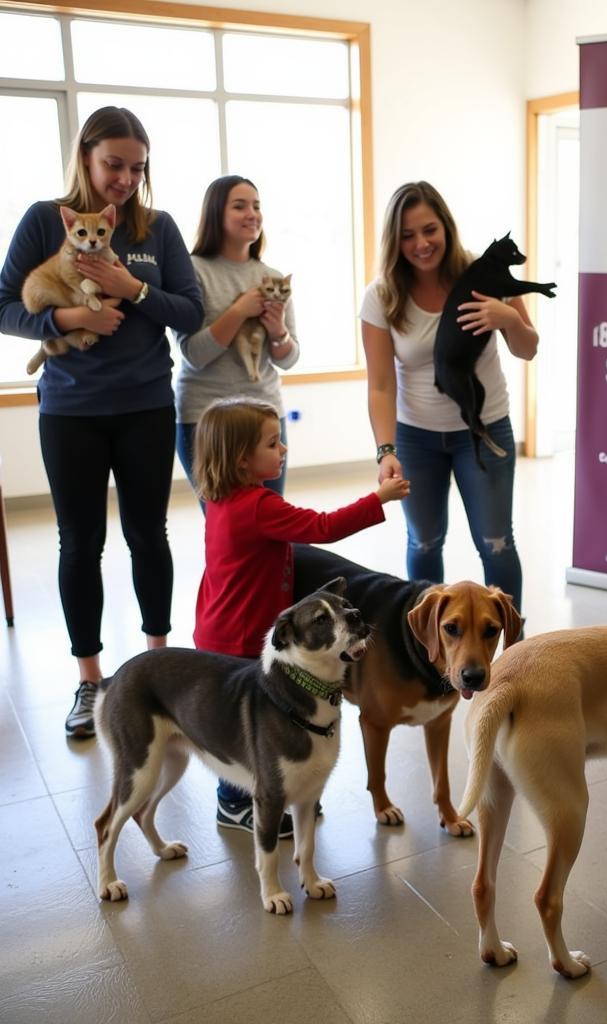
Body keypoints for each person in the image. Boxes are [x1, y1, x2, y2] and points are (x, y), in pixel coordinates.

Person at [0, 106, 203, 739]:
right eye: (113, 164)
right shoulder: (43, 219)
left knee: (149, 535)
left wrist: (131, 287)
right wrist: (70, 321)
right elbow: (5, 305)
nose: (124, 178)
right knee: (80, 542)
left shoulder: (157, 228)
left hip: (145, 406)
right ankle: (90, 682)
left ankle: (156, 668)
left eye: (136, 167)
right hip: (70, 413)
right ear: (86, 156)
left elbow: (191, 312)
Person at [191, 396, 408, 834]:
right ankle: (235, 802)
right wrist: (379, 498)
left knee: (236, 719)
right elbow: (323, 527)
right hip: (242, 635)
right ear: (241, 458)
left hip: (216, 624)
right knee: (247, 722)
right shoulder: (258, 505)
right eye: (273, 444)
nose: (283, 450)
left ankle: (260, 793)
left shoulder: (219, 496)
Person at [360, 181, 538, 615]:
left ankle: (513, 654)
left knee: (496, 544)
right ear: (395, 240)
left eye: (429, 230)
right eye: (407, 235)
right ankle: (427, 651)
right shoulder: (382, 295)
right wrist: (386, 450)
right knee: (423, 541)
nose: (421, 244)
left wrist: (507, 318)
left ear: (446, 227)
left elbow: (528, 347)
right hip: (416, 437)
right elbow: (381, 384)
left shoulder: (485, 274)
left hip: (484, 430)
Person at [175, 175, 299, 499]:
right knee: (226, 528)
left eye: (256, 206)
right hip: (206, 419)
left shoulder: (273, 277)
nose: (252, 214)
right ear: (216, 213)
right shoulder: (190, 271)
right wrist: (239, 311)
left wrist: (278, 332)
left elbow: (289, 358)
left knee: (271, 524)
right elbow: (194, 354)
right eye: (240, 206)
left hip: (265, 419)